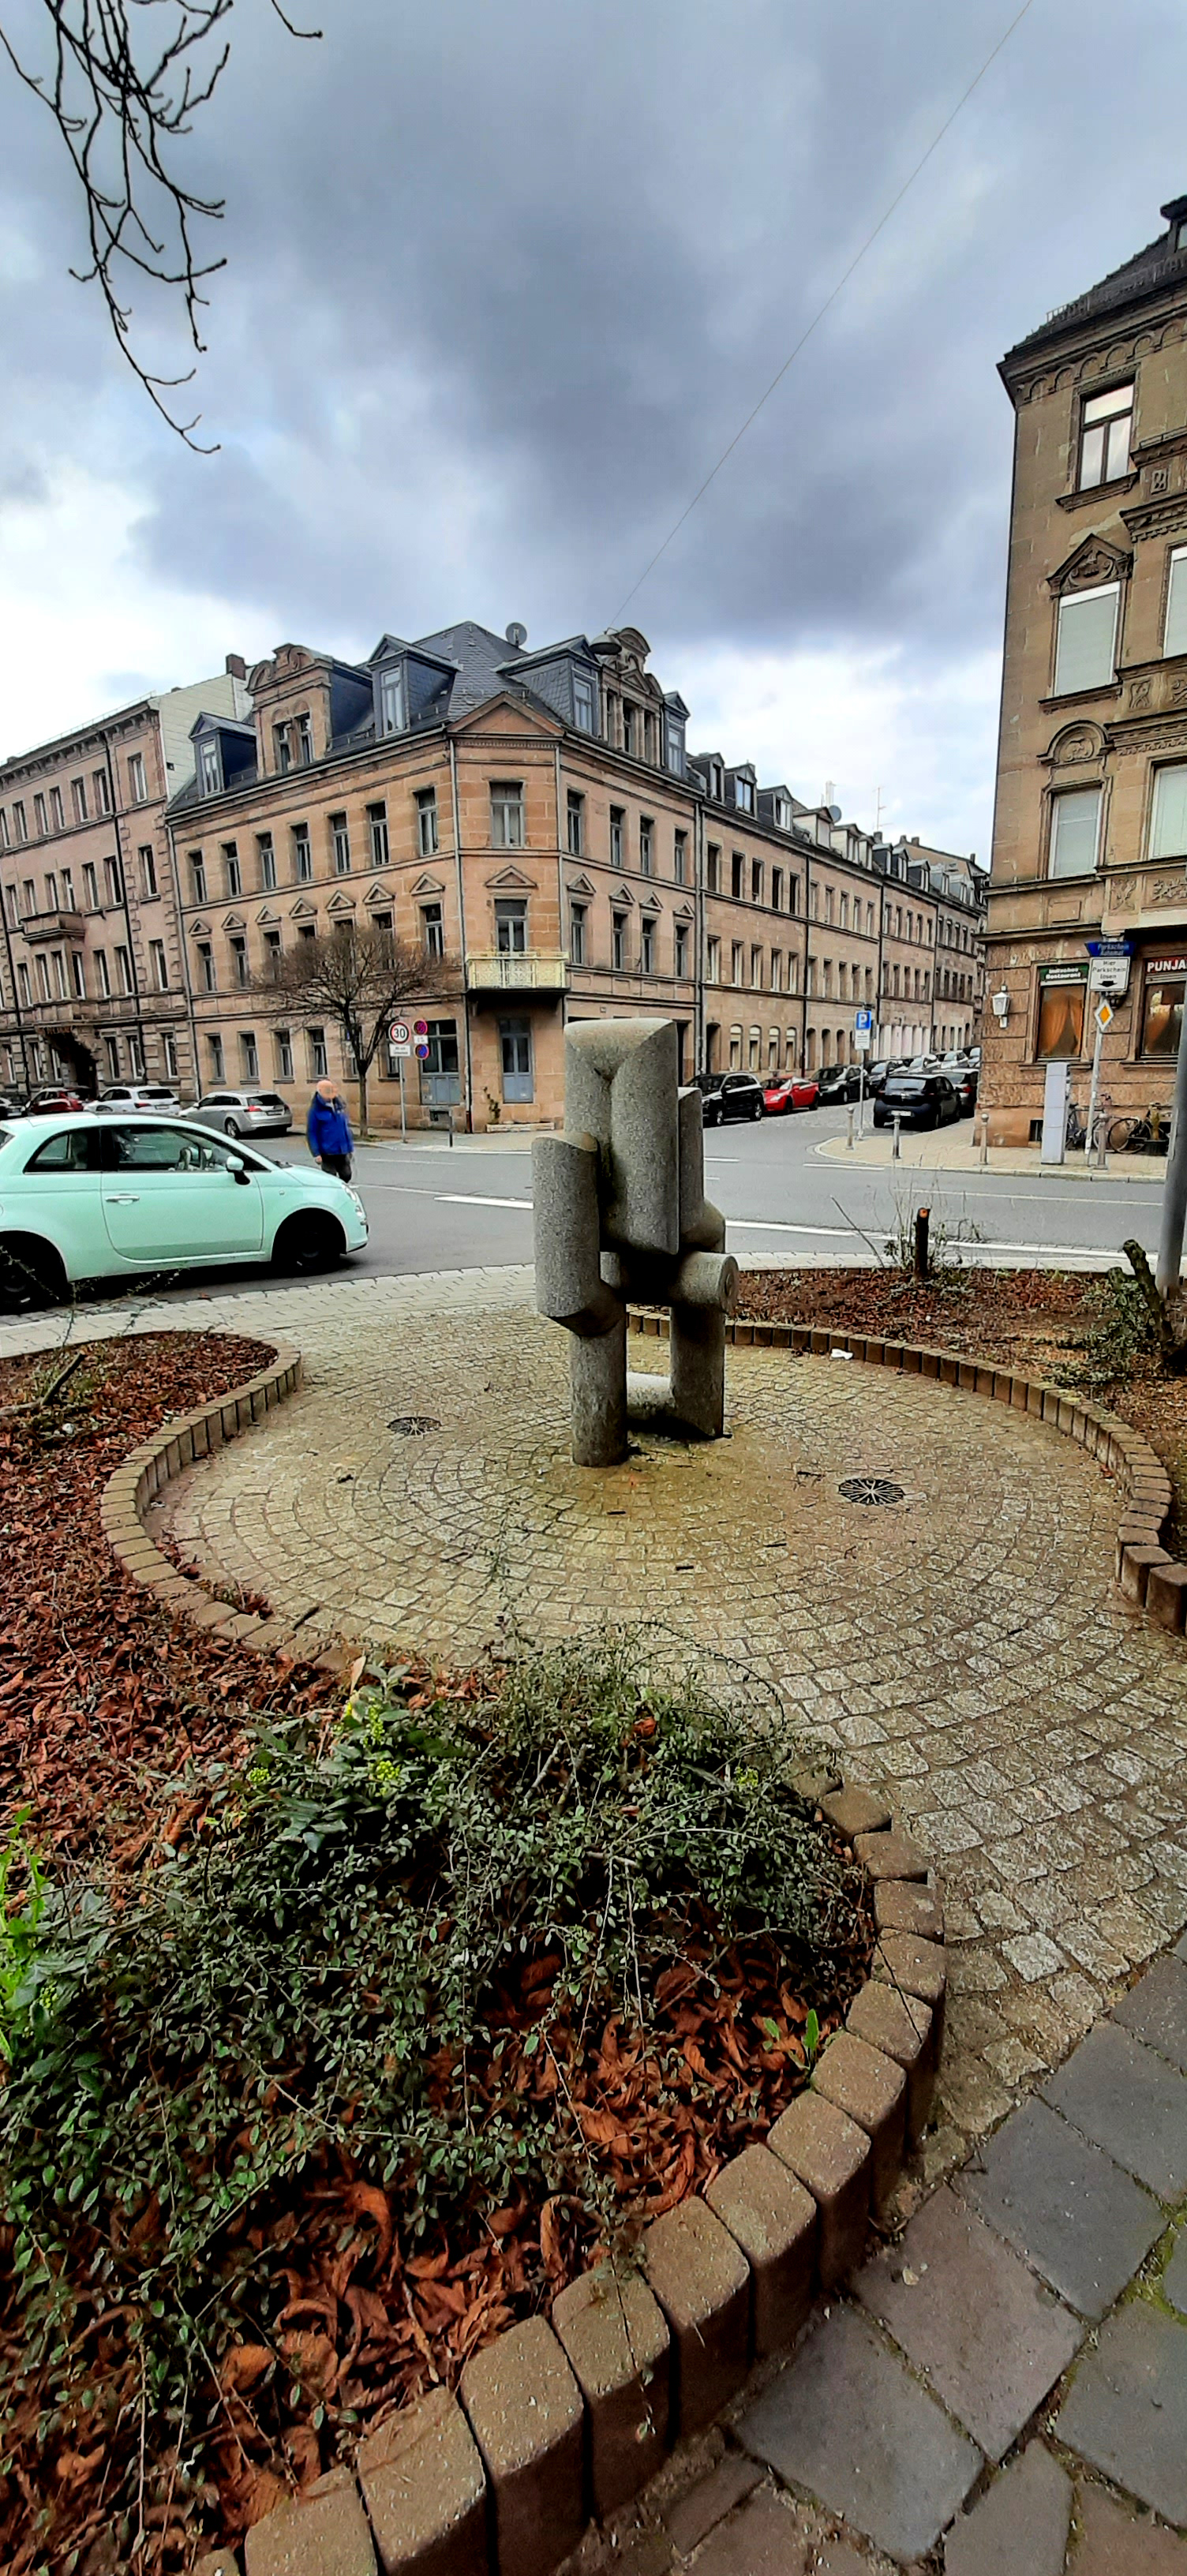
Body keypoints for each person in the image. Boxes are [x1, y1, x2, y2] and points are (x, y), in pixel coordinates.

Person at [307, 1076, 354, 1181]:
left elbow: (345, 1128)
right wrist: (316, 1153)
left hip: (342, 1150)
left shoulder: (339, 1106)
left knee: (346, 1175)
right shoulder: (316, 1110)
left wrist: (350, 1148)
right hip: (327, 1151)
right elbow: (312, 1133)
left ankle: (341, 1188)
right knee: (331, 1177)